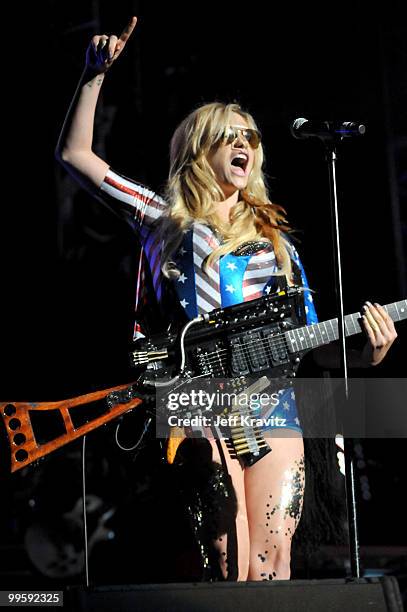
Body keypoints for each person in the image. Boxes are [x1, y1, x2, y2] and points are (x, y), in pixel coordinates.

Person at [55, 16, 397, 581]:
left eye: (250, 138)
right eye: (228, 135)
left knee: (272, 557)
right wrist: (93, 77)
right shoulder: (162, 216)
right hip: (195, 396)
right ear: (197, 150)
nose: (244, 144)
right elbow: (77, 158)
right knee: (226, 550)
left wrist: (369, 354)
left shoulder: (276, 243)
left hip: (274, 401)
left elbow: (310, 345)